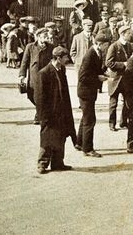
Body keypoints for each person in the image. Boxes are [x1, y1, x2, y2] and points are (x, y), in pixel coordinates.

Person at [35, 46, 76, 174]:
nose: (67, 59)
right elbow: (40, 98)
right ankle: (42, 163)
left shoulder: (61, 69)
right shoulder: (44, 73)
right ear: (58, 58)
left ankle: (58, 163)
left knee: (61, 136)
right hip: (50, 113)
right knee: (47, 138)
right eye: (65, 57)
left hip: (61, 111)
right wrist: (44, 117)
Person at [75, 34, 109, 158]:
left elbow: (94, 70)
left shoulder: (96, 52)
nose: (106, 47)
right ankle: (88, 149)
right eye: (105, 45)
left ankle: (79, 143)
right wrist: (98, 78)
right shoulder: (90, 55)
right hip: (85, 92)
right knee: (90, 120)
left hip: (89, 91)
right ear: (99, 44)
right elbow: (83, 77)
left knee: (86, 117)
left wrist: (103, 73)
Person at [19, 28, 54, 125]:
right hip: (34, 75)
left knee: (44, 95)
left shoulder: (51, 47)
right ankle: (40, 110)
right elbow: (24, 61)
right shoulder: (30, 47)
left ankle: (39, 115)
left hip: (46, 76)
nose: (46, 38)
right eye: (44, 36)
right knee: (32, 95)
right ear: (38, 37)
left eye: (47, 36)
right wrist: (22, 75)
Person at [106, 25, 133, 131]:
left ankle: (123, 122)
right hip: (115, 79)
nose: (130, 35)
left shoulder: (129, 46)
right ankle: (112, 124)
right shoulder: (114, 46)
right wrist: (123, 64)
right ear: (122, 34)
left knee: (127, 102)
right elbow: (108, 62)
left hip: (126, 79)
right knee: (113, 102)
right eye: (128, 33)